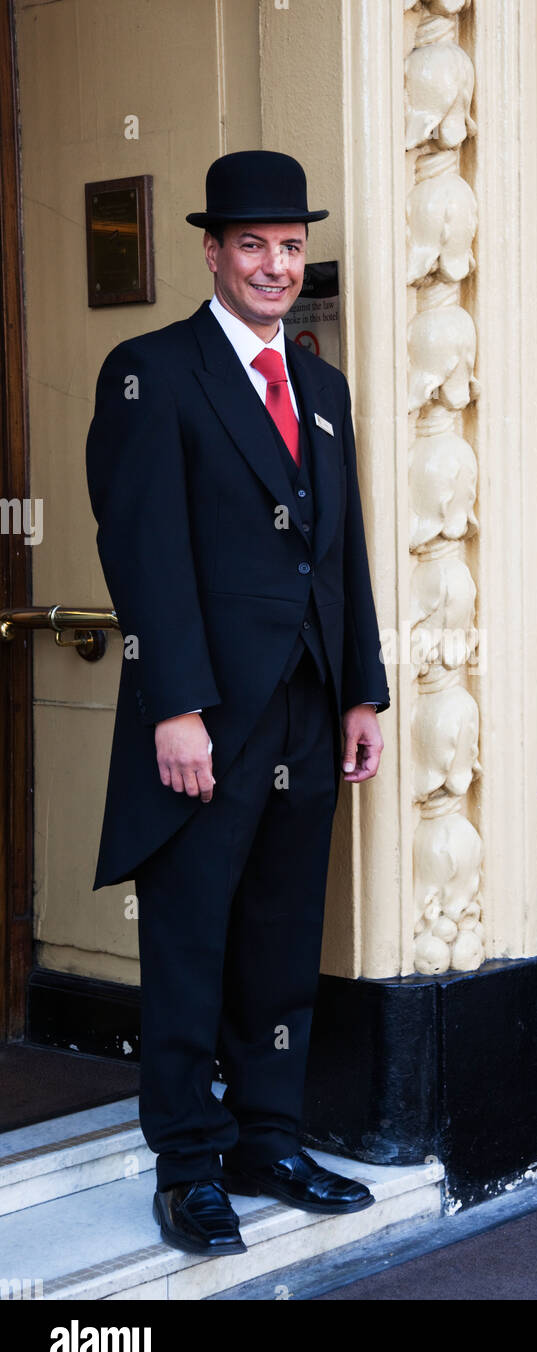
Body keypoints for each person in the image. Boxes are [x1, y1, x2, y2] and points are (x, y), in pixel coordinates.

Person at [85, 150, 390, 1256]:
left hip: (309, 709)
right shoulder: (150, 373)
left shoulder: (320, 385)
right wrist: (174, 707)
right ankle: (188, 1165)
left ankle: (268, 1134)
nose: (273, 264)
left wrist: (361, 690)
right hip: (206, 714)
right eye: (251, 244)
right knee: (189, 940)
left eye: (289, 246)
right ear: (211, 251)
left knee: (277, 936)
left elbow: (338, 551)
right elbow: (143, 549)